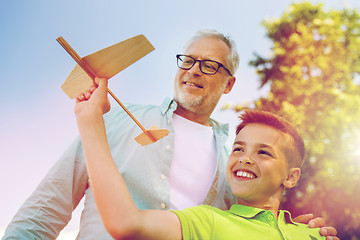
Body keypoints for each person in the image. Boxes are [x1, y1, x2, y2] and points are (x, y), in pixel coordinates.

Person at [3, 30, 337, 239]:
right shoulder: (113, 118)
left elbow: (249, 222)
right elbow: (47, 208)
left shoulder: (233, 159)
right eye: (188, 61)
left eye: (209, 65)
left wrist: (289, 227)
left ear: (229, 84)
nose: (194, 70)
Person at [73, 80, 326, 239]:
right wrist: (91, 121)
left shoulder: (312, 232)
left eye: (263, 152)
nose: (245, 159)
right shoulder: (207, 221)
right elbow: (126, 223)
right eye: (238, 149)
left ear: (291, 177)